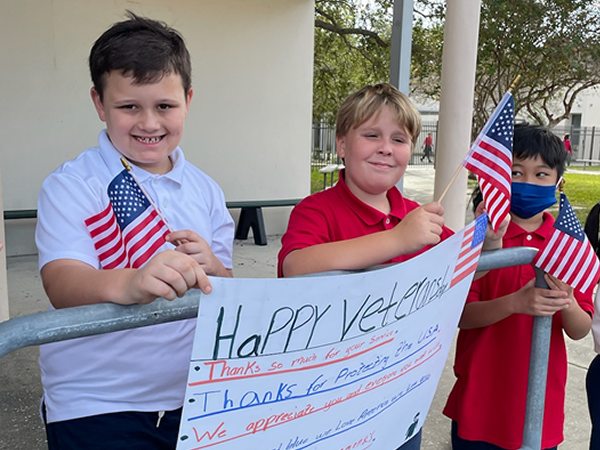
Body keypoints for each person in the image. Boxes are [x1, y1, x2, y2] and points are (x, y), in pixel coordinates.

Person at [34, 12, 234, 450]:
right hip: (96, 403)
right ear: (99, 103)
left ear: (188, 99)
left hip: (194, 399)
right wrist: (131, 280)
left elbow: (226, 291)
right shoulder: (71, 185)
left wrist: (215, 268)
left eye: (165, 105)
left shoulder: (207, 190)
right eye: (129, 107)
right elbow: (62, 281)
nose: (149, 123)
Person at [277, 83, 506, 449]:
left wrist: (490, 241)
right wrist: (397, 241)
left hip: (401, 392)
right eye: (371, 135)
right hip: (331, 398)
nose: (386, 147)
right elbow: (296, 266)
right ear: (341, 144)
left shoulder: (417, 216)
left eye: (399, 139)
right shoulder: (316, 210)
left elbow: (462, 268)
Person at [443, 124, 594, 450]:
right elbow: (460, 315)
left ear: (558, 182)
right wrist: (515, 301)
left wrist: (567, 299)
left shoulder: (568, 245)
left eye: (541, 174)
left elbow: (581, 329)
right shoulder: (475, 240)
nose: (527, 182)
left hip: (539, 407)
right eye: (515, 171)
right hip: (479, 403)